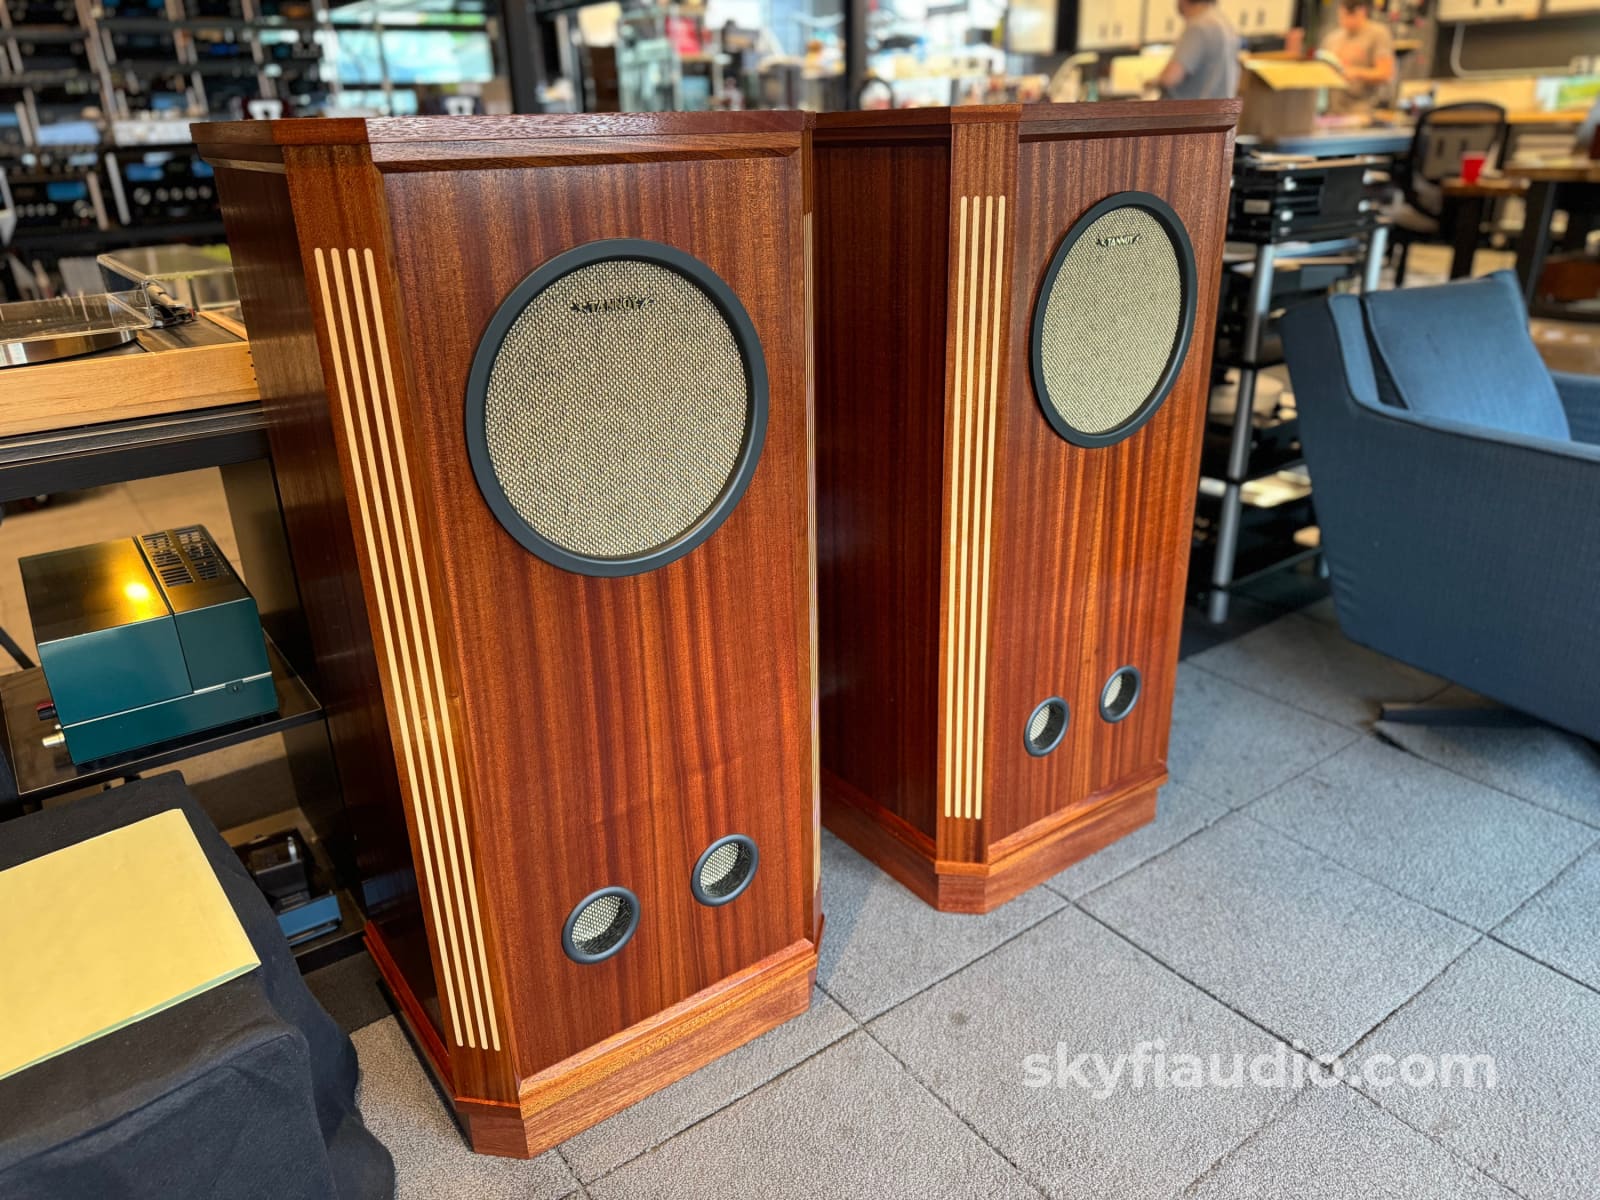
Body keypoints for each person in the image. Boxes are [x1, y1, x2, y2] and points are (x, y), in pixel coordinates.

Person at [1319, 0, 1395, 113]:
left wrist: (1355, 73)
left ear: (1361, 12)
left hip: (1360, 109)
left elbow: (1385, 73)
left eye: (1348, 15)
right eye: (1341, 16)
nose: (1343, 21)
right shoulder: (1332, 38)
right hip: (1331, 109)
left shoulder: (1377, 34)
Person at [1157, 0, 1241, 102]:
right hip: (1218, 113)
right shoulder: (1223, 22)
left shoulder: (1198, 27)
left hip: (1192, 113)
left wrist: (1153, 82)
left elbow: (1170, 77)